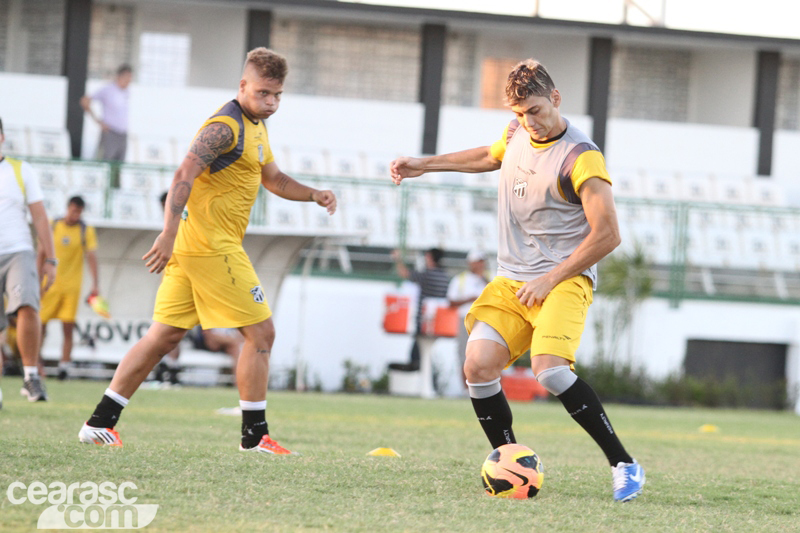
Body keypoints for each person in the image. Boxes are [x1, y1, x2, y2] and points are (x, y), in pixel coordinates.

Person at [389, 59, 645, 502]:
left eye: (535, 111)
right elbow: (488, 156)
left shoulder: (581, 157)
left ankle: (624, 464)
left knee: (549, 370)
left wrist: (550, 279)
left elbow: (609, 234)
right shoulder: (516, 134)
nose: (529, 121)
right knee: (478, 367)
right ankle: (511, 465)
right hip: (513, 280)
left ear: (556, 99)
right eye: (519, 113)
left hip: (565, 278)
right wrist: (423, 165)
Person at [78, 48, 336, 454]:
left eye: (278, 95)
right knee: (262, 332)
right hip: (210, 246)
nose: (271, 102)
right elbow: (184, 173)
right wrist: (166, 233)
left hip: (196, 247)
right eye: (264, 93)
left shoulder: (257, 126)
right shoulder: (224, 126)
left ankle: (100, 422)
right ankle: (254, 437)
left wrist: (314, 194)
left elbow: (274, 179)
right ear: (243, 86)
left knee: (163, 336)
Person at [0, 116, 58, 402]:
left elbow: (39, 216)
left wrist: (51, 258)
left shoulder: (20, 171)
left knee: (26, 306)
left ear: (1, 138)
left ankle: (31, 376)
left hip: (17, 250)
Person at [38, 196, 100, 380]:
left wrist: (95, 284)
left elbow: (92, 257)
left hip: (72, 286)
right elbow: (41, 252)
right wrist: (36, 277)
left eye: (79, 212)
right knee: (40, 325)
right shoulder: (54, 225)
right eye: (73, 210)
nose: (75, 215)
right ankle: (36, 363)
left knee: (68, 327)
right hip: (49, 284)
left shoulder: (85, 230)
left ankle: (64, 365)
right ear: (67, 208)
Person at [389, 247, 450, 372]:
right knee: (424, 352)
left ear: (430, 258)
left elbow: (404, 273)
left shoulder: (427, 275)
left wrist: (398, 259)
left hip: (424, 321)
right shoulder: (444, 276)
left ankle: (417, 374)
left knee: (416, 354)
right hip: (439, 322)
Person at [447, 249, 489, 389]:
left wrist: (484, 278)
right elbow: (451, 302)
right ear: (470, 263)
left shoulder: (489, 278)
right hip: (465, 321)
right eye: (477, 262)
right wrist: (469, 299)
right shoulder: (460, 279)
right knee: (464, 356)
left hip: (485, 321)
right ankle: (466, 389)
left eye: (482, 262)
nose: (480, 265)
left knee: (489, 356)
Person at [81, 64, 132, 162]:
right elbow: (85, 101)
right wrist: (97, 121)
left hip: (122, 134)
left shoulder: (126, 92)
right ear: (119, 76)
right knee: (105, 161)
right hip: (110, 133)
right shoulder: (108, 90)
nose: (128, 81)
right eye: (127, 78)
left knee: (119, 165)